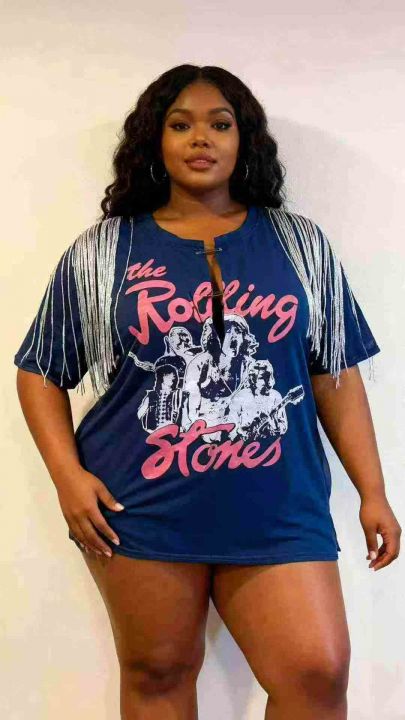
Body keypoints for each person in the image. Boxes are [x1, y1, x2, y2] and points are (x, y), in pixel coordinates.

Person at [14, 64, 401, 720]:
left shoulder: (299, 245)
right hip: (140, 505)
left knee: (316, 672)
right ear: (154, 141)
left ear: (243, 140)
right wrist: (67, 478)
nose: (201, 138)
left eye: (220, 124)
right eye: (180, 124)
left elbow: (333, 375)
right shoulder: (105, 252)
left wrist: (373, 491)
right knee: (158, 673)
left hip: (279, 505)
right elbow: (40, 369)